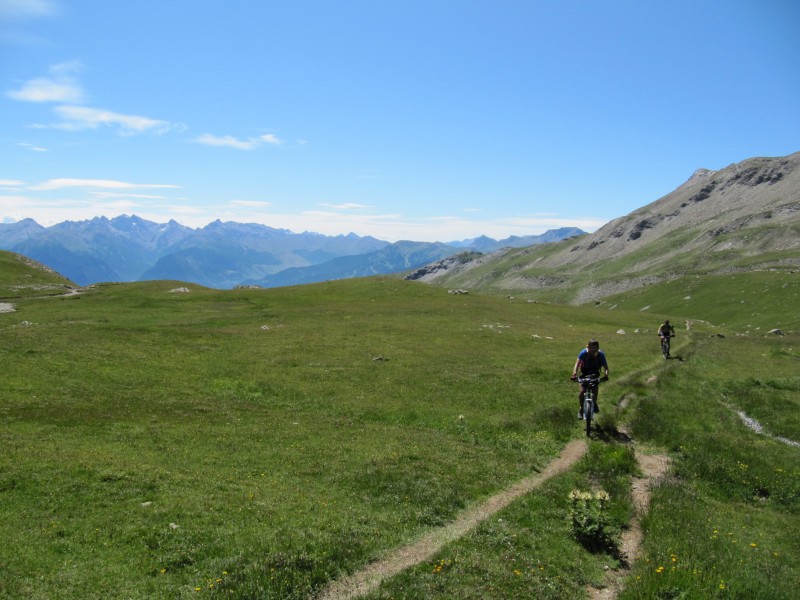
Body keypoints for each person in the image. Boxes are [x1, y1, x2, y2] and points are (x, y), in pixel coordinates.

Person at [570, 339, 609, 419]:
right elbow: (577, 364)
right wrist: (574, 374)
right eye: (591, 347)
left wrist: (606, 375)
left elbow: (606, 367)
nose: (593, 349)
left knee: (594, 388)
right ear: (588, 347)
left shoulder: (600, 354)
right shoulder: (583, 353)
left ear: (597, 348)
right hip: (584, 373)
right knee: (582, 391)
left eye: (594, 347)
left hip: (595, 374)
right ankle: (581, 409)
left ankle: (594, 403)